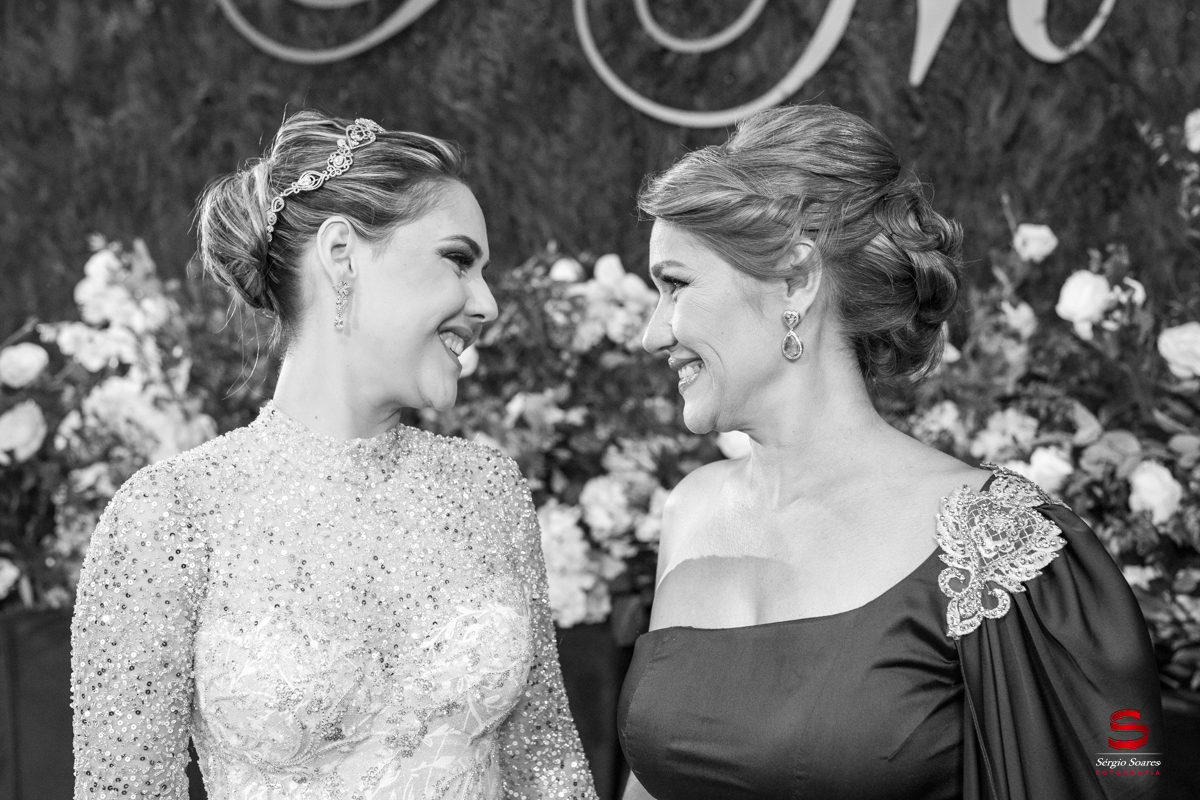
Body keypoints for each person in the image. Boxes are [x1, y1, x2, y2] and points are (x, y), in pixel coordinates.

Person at [617, 105, 1164, 800]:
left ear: (795, 279)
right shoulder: (691, 508)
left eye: (675, 284)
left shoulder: (1000, 544)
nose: (651, 333)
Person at [71, 110, 597, 800]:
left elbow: (550, 770)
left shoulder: (487, 490)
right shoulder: (171, 514)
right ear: (343, 254)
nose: (487, 303)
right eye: (458, 260)